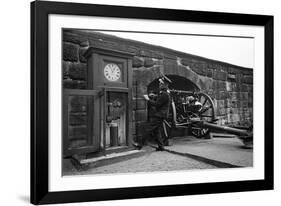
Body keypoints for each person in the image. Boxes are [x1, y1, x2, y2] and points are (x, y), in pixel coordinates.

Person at [133, 78, 171, 151]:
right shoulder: (164, 93)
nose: (159, 85)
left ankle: (139, 145)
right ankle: (161, 147)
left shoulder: (164, 94)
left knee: (147, 129)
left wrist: (148, 99)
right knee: (157, 131)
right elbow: (159, 99)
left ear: (164, 85)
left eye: (161, 84)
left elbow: (157, 104)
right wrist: (153, 96)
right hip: (161, 115)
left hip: (159, 115)